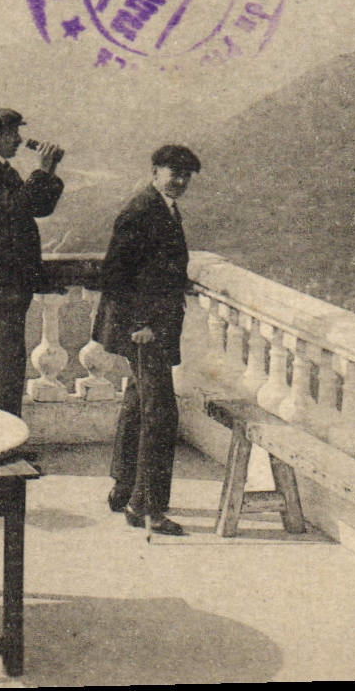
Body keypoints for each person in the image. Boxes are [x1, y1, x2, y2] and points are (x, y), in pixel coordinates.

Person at [95, 144, 201, 537]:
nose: (180, 181)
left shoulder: (162, 207)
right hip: (145, 330)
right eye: (174, 173)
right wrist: (140, 322)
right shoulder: (141, 210)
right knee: (161, 414)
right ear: (155, 172)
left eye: (186, 175)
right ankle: (147, 507)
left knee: (138, 405)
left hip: (152, 326)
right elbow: (115, 274)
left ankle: (124, 488)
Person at [0, 107, 64, 417]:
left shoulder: (0, 169)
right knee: (8, 359)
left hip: (7, 278)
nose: (19, 140)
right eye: (12, 133)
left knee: (6, 357)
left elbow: (39, 208)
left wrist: (49, 172)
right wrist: (41, 171)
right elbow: (18, 207)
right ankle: (5, 430)